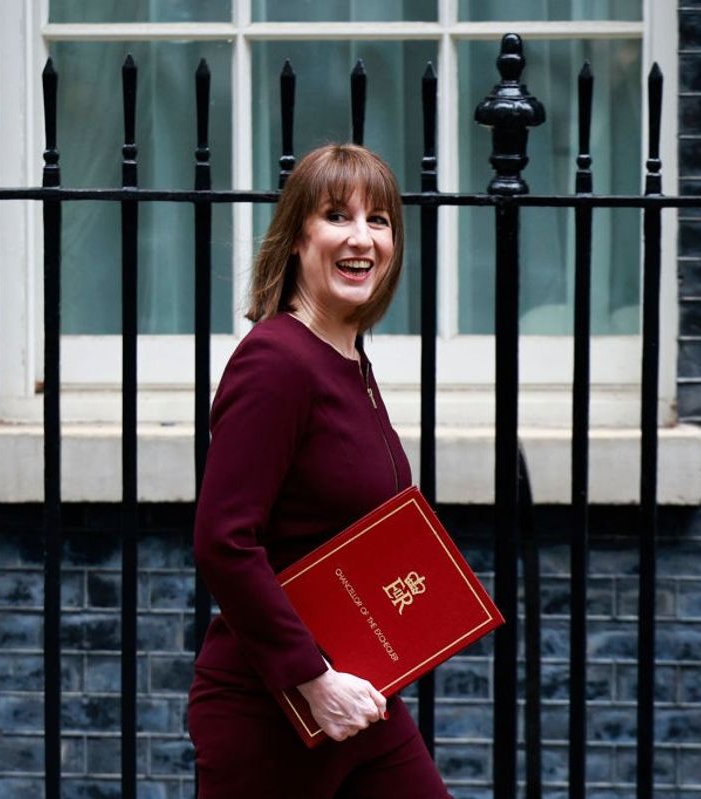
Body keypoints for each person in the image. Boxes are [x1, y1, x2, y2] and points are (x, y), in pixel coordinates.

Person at [188, 144, 451, 798]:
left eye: (380, 220)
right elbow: (224, 540)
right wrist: (311, 679)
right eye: (338, 215)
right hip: (272, 711)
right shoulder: (278, 361)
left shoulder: (348, 361)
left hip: (359, 700)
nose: (362, 237)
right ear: (298, 238)